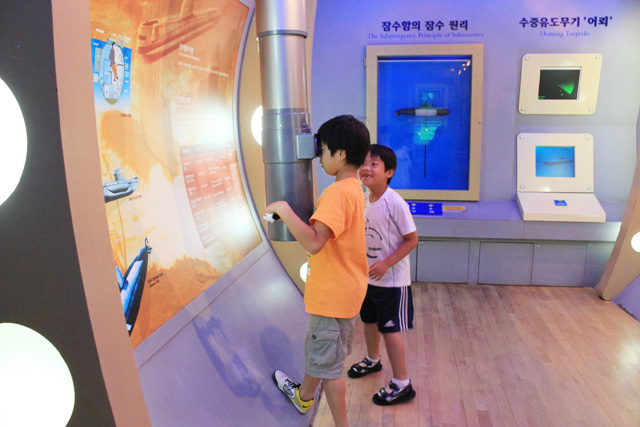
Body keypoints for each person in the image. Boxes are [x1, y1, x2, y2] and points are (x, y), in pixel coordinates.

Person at [267, 115, 370, 426]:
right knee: (324, 355)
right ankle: (303, 396)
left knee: (331, 369)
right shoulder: (354, 188)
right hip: (347, 291)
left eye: (323, 151)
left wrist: (283, 209)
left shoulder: (336, 194)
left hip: (331, 296)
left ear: (341, 154)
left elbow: (314, 243)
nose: (319, 158)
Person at [348, 144, 418, 406]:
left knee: (390, 331)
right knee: (369, 322)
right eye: (364, 163)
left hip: (392, 282)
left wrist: (386, 263)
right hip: (368, 279)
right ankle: (373, 360)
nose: (366, 168)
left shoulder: (394, 202)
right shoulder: (365, 199)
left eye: (374, 164)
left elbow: (412, 239)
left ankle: (402, 383)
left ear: (389, 172)